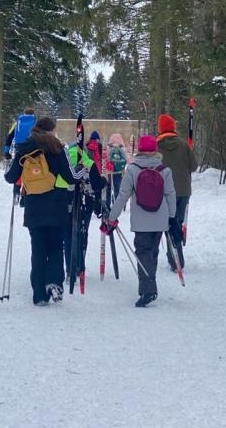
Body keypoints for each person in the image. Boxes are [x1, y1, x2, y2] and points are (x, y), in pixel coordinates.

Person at [4, 117, 85, 306]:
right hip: (57, 204)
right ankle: (54, 281)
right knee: (56, 245)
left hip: (34, 206)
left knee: (38, 248)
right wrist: (81, 169)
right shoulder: (58, 148)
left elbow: (10, 177)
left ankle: (39, 295)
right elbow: (71, 178)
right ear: (52, 130)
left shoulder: (24, 148)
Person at [105, 135, 176, 307]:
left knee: (143, 252)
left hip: (141, 220)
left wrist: (111, 218)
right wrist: (172, 217)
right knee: (152, 252)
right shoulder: (164, 170)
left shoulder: (133, 169)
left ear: (140, 150)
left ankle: (148, 289)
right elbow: (170, 194)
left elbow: (123, 196)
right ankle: (150, 284)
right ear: (155, 151)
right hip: (160, 220)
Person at [156, 113, 198, 271]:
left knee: (168, 223)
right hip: (183, 190)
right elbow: (193, 166)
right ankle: (175, 256)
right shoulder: (183, 144)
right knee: (177, 222)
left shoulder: (155, 146)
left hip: (164, 191)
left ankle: (174, 257)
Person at [62, 140, 106, 281]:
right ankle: (79, 267)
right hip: (85, 203)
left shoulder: (65, 161)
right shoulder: (88, 162)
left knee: (68, 235)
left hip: (66, 202)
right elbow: (97, 184)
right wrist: (104, 180)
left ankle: (69, 268)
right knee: (81, 234)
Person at [106, 132, 127, 204]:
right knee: (117, 186)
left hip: (110, 170)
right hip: (119, 170)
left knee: (108, 187)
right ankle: (117, 202)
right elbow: (125, 159)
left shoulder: (109, 148)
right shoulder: (122, 149)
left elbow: (107, 159)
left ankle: (108, 202)